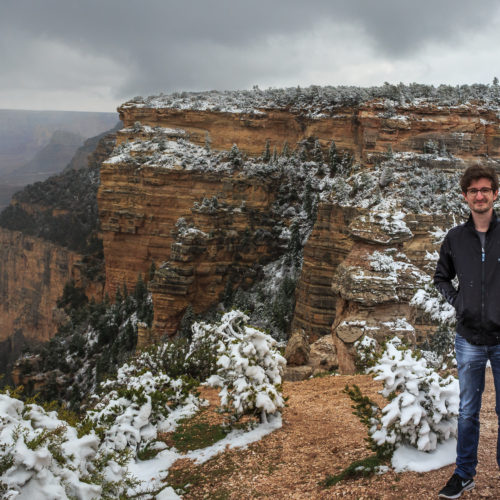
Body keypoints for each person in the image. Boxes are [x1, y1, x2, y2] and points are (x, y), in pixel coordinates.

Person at [434, 164, 500, 498]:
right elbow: (441, 277)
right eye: (473, 190)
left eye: (485, 189)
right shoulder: (455, 239)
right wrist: (459, 302)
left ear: (495, 194)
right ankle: (464, 474)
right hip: (469, 337)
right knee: (468, 411)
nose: (479, 195)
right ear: (465, 196)